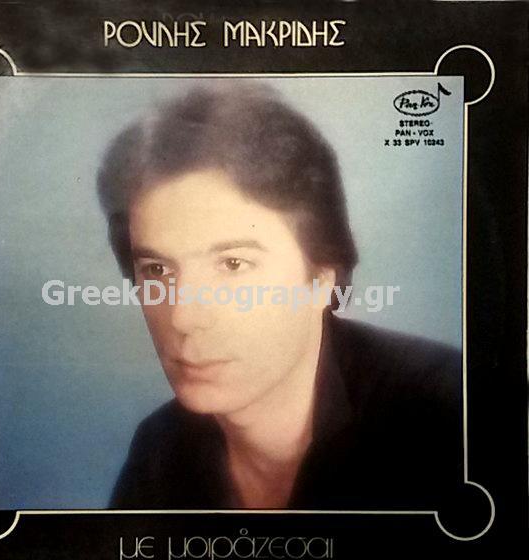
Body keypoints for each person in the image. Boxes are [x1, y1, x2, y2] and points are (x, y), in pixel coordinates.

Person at [97, 81, 462, 510]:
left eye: (233, 265)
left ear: (321, 277)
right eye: (157, 270)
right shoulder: (160, 450)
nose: (182, 317)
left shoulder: (451, 414)